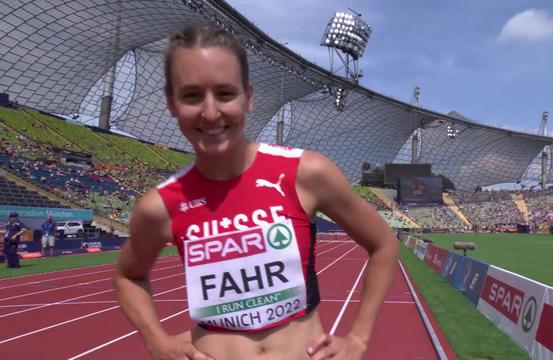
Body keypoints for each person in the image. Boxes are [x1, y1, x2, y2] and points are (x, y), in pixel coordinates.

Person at [113, 24, 398, 360]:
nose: (210, 112)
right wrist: (156, 341)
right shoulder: (160, 207)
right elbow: (128, 276)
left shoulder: (305, 173)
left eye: (225, 93)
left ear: (248, 97)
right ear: (171, 103)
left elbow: (383, 244)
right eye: (191, 96)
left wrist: (358, 338)